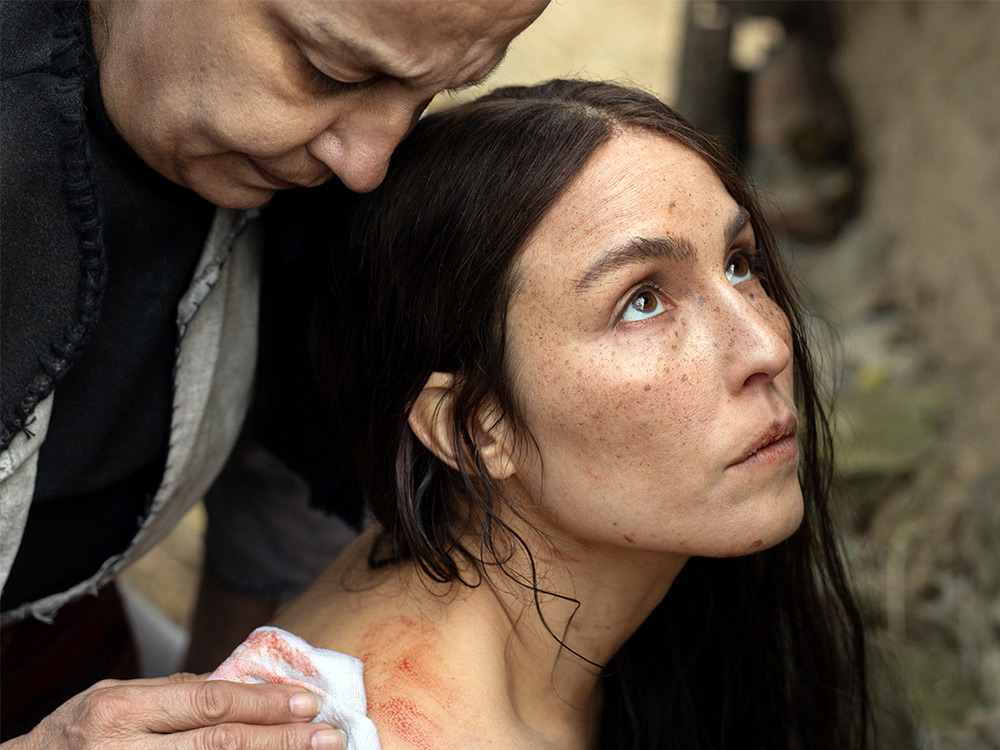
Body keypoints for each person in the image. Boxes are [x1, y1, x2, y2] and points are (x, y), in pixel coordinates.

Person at [214, 79, 871, 748]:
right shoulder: (369, 729)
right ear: (471, 428)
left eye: (739, 264)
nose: (766, 345)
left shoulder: (615, 623)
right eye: (641, 302)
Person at [0, 1, 546, 748]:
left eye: (429, 96)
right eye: (329, 69)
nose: (366, 163)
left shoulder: (307, 185)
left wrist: (235, 696)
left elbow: (284, 499)